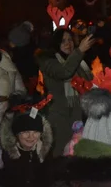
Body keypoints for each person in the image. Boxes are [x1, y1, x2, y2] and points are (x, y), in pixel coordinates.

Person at [37, 28, 94, 156]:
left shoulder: (78, 60)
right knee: (61, 149)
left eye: (70, 40)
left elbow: (89, 81)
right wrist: (80, 51)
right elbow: (64, 72)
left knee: (77, 150)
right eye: (63, 41)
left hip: (79, 112)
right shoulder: (48, 61)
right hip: (60, 114)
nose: (68, 44)